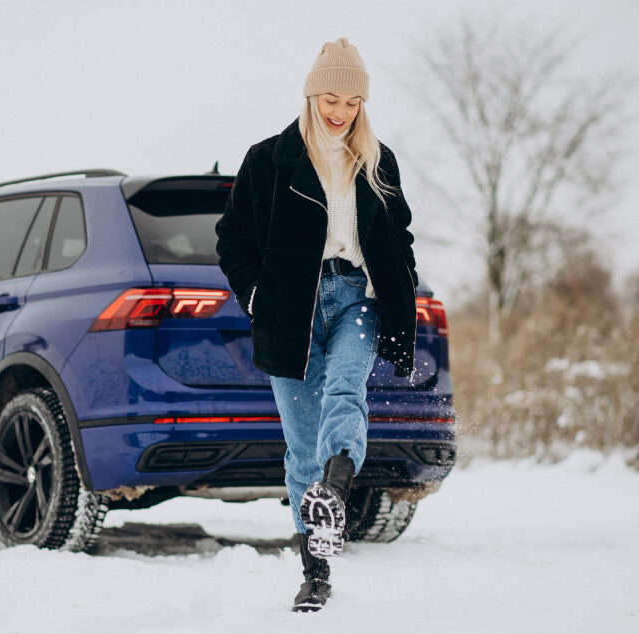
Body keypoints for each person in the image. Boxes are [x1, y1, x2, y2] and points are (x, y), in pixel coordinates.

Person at [214, 37, 420, 612]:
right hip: (291, 309)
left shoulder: (378, 160)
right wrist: (256, 293)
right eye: (331, 97)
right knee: (301, 443)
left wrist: (401, 279)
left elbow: (399, 233)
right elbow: (231, 236)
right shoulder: (268, 160)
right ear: (311, 95)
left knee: (345, 389)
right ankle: (317, 568)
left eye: (353, 101)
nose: (341, 110)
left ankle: (334, 487)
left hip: (357, 296)